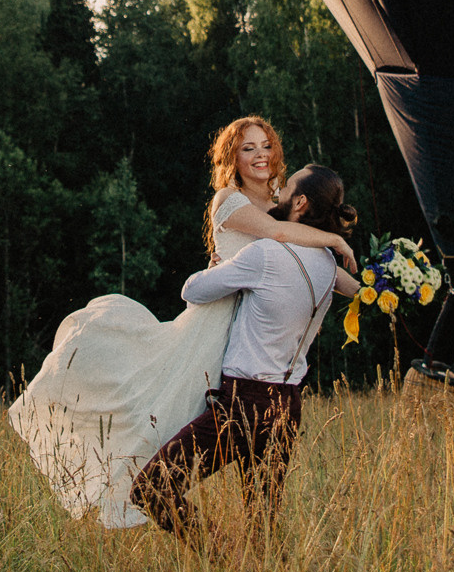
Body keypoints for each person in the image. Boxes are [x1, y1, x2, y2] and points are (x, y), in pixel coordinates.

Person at [7, 118, 355, 527]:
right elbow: (278, 236)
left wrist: (375, 287)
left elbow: (334, 276)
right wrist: (334, 239)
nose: (260, 155)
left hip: (250, 340)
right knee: (151, 414)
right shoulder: (231, 200)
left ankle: (233, 560)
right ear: (233, 158)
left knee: (254, 495)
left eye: (266, 146)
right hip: (217, 324)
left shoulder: (282, 206)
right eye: (248, 148)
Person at [129, 164, 358, 548]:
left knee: (151, 488)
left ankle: (222, 557)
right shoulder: (326, 265)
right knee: (263, 525)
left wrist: (216, 266)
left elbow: (193, 291)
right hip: (288, 404)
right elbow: (350, 290)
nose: (279, 189)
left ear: (299, 203)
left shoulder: (265, 254)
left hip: (245, 403)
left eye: (288, 187)